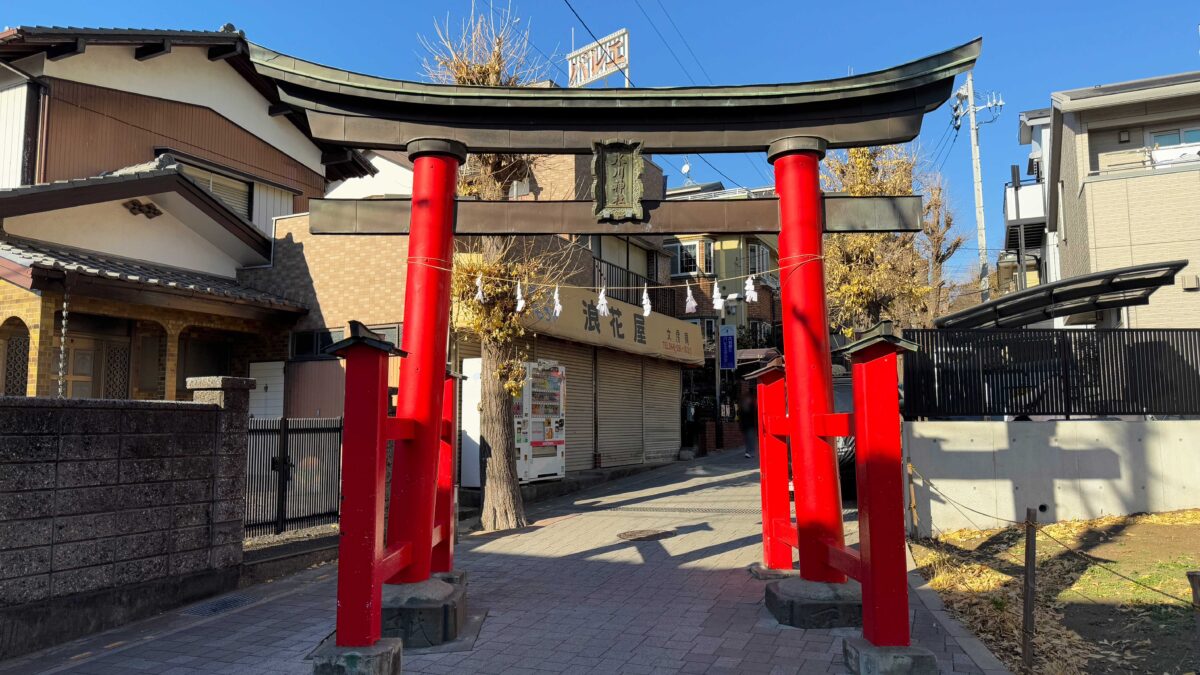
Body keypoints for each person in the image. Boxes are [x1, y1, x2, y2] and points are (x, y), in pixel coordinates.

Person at [739, 388, 758, 459]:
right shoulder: (751, 406)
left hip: (746, 425)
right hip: (750, 425)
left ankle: (748, 452)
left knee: (748, 439)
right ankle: (750, 452)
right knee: (750, 439)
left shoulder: (743, 406)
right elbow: (754, 414)